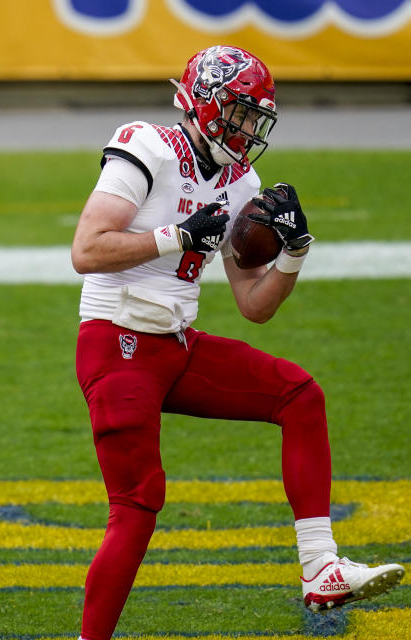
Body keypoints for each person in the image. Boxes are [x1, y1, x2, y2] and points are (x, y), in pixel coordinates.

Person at [69, 46, 405, 640]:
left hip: (174, 345)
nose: (249, 130)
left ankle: (321, 565)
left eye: (257, 118)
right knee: (138, 504)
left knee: (299, 395)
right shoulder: (146, 146)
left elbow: (254, 305)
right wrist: (174, 236)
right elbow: (87, 250)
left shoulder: (238, 178)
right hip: (115, 343)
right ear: (207, 102)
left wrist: (294, 255)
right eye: (242, 114)